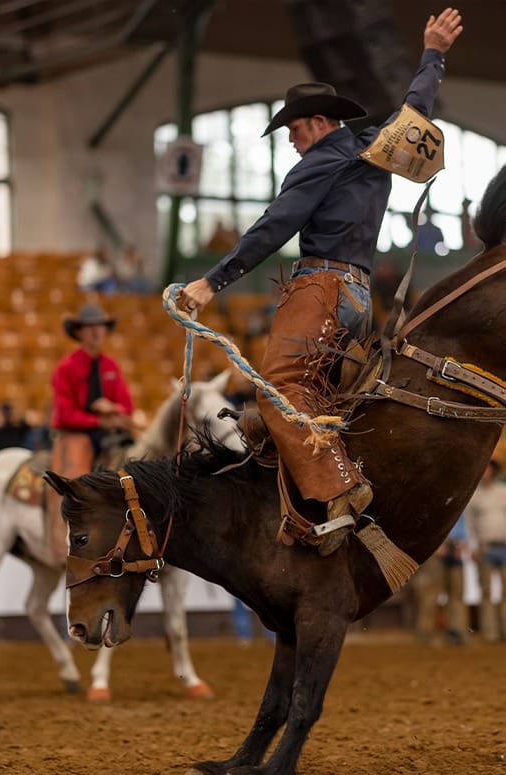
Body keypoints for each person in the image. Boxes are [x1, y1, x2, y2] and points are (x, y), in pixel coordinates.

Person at [176, 8, 463, 556]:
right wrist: (432, 53)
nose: (289, 140)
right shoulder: (375, 150)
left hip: (321, 288)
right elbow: (417, 109)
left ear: (315, 121)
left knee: (280, 390)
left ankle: (339, 492)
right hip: (357, 299)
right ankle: (306, 501)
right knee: (324, 402)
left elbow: (275, 226)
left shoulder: (318, 163)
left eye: (290, 128)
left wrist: (212, 283)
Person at [49, 303, 134, 562]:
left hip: (110, 435)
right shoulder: (66, 368)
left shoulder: (111, 366)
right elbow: (64, 415)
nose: (96, 332)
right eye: (90, 328)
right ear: (80, 333)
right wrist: (99, 421)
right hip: (76, 434)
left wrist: (112, 409)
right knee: (74, 482)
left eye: (100, 327)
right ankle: (67, 543)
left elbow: (127, 407)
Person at [465, 459, 506, 643]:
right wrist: (473, 546)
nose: (485, 473)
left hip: (502, 545)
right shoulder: (474, 495)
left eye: (488, 469)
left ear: (493, 472)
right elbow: (470, 525)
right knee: (487, 592)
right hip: (485, 547)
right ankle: (490, 633)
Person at [410, 514, 469, 646]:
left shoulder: (460, 497)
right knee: (430, 593)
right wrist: (433, 543)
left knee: (456, 593)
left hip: (455, 546)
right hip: (436, 545)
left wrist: (463, 542)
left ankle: (456, 632)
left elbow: (462, 522)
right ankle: (425, 634)